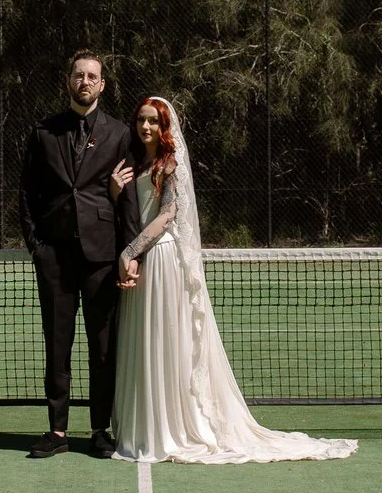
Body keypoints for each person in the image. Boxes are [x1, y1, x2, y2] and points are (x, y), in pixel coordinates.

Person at [110, 96, 357, 464]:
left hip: (162, 259)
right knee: (146, 339)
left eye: (153, 122)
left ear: (165, 127)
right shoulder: (138, 163)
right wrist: (118, 197)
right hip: (143, 260)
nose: (145, 128)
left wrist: (130, 252)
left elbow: (166, 217)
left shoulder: (171, 164)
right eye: (141, 121)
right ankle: (146, 427)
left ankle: (174, 428)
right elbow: (133, 210)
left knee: (166, 339)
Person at [18, 50, 140, 459]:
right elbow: (27, 194)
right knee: (58, 344)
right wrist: (36, 245)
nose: (85, 81)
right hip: (54, 257)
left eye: (92, 76)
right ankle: (56, 431)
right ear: (68, 80)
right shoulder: (43, 132)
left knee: (103, 348)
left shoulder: (120, 133)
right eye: (79, 75)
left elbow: (129, 202)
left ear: (102, 85)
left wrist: (130, 251)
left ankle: (100, 430)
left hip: (102, 257)